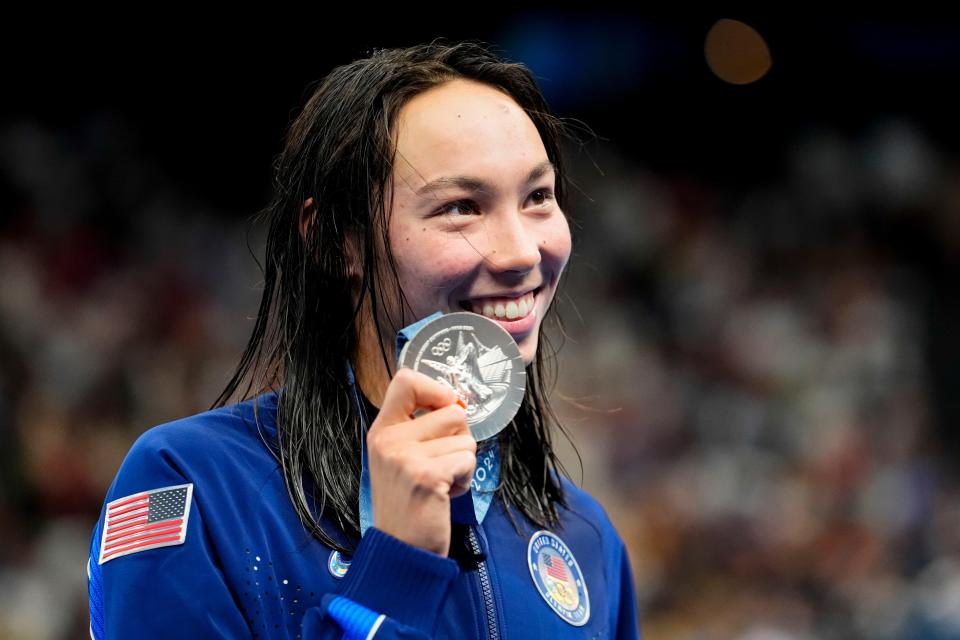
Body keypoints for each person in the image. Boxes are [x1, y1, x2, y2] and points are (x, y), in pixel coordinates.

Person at [86, 39, 642, 639]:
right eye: (461, 206)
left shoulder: (584, 540)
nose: (521, 253)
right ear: (334, 239)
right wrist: (395, 571)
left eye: (538, 197)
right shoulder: (195, 486)